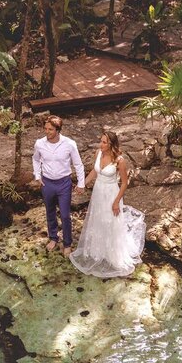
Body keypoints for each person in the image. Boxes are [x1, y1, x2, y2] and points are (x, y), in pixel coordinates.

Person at [70, 130, 146, 278]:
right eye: (101, 141)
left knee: (110, 221)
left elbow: (124, 183)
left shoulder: (119, 160)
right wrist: (82, 184)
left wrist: (116, 202)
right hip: (98, 192)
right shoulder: (98, 153)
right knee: (98, 220)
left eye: (104, 142)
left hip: (112, 194)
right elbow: (94, 171)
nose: (101, 144)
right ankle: (98, 250)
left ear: (111, 144)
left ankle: (113, 253)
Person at [32, 116, 85, 255]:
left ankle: (67, 243)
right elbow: (36, 160)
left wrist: (81, 183)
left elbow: (78, 164)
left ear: (58, 130)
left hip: (64, 183)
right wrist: (37, 176)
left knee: (65, 215)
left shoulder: (69, 144)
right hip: (47, 183)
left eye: (50, 129)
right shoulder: (39, 143)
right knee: (50, 212)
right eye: (45, 129)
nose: (47, 131)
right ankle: (53, 238)